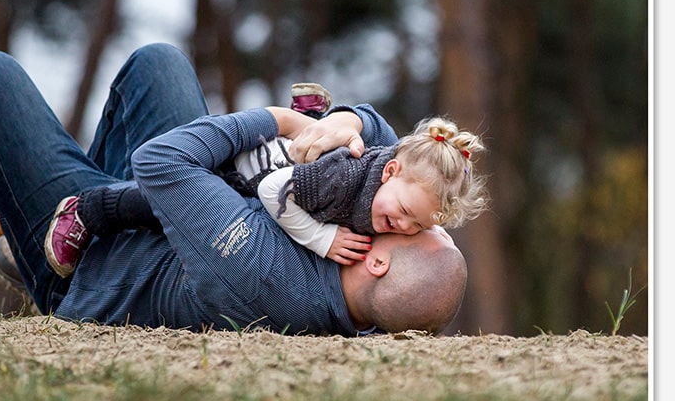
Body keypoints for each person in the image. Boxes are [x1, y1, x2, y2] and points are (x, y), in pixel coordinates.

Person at [0, 43, 468, 336]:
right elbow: (391, 157)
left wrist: (281, 121)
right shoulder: (364, 268)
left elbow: (163, 161)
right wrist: (347, 123)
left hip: (98, 265)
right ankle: (28, 227)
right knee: (159, 64)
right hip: (169, 222)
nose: (408, 222)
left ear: (382, 261)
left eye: (417, 230)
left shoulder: (258, 270)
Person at [42, 105, 487, 278]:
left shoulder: (394, 197)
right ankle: (88, 209)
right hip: (246, 176)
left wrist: (434, 236)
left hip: (282, 184)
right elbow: (276, 190)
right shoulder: (344, 178)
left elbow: (415, 218)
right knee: (156, 205)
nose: (403, 226)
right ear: (389, 170)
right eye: (407, 211)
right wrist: (322, 238)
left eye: (417, 225)